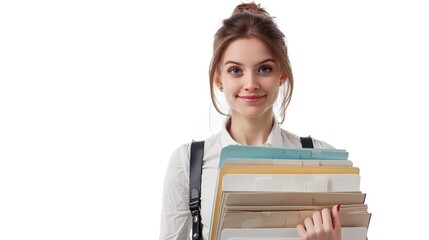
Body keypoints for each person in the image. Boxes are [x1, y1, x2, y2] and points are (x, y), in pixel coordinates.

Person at [159, 2, 341, 240]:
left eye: (264, 69)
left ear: (282, 74)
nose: (251, 83)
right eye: (236, 70)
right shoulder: (188, 163)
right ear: (218, 78)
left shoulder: (322, 159)